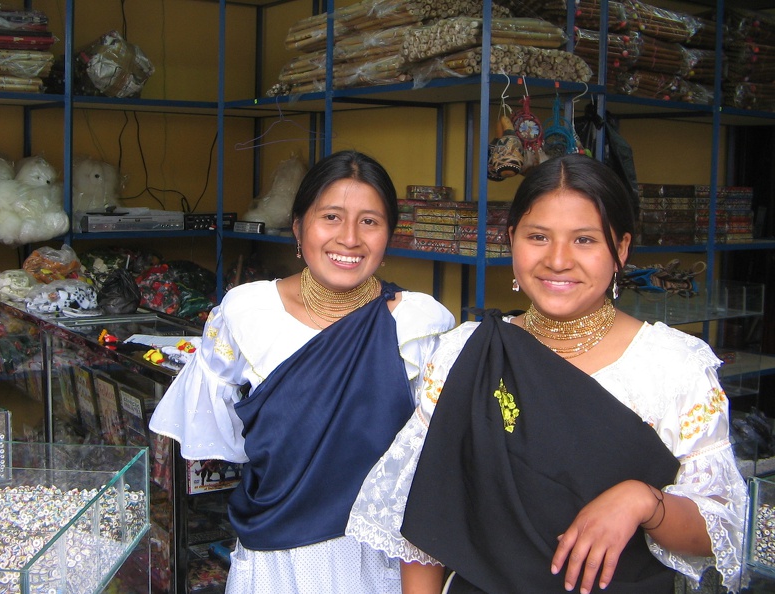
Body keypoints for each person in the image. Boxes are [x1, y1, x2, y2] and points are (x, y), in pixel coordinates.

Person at [347, 154, 748, 594]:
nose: (558, 260)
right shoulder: (467, 353)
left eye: (585, 240)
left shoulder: (671, 367)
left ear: (622, 249)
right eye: (538, 237)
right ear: (512, 239)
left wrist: (642, 501)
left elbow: (719, 531)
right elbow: (425, 518)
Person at [149, 150, 455, 594]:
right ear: (298, 227)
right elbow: (221, 427)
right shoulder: (247, 313)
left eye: (370, 221)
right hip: (274, 557)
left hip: (378, 560)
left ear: (389, 235)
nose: (349, 238)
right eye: (331, 216)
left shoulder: (419, 326)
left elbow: (432, 463)